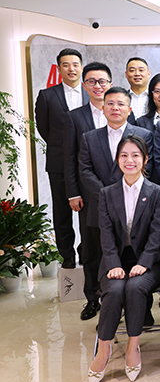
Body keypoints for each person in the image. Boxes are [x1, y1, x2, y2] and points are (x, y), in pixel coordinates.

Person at [88, 134, 160, 382]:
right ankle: (104, 349)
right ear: (117, 159)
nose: (129, 160)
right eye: (124, 155)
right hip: (115, 260)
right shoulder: (107, 193)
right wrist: (113, 264)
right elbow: (106, 233)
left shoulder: (157, 192)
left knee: (134, 287)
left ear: (145, 159)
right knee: (113, 290)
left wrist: (143, 263)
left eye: (135, 155)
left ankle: (133, 345)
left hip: (149, 261)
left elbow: (157, 234)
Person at [64, 63, 132, 320]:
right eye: (110, 104)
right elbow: (80, 165)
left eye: (120, 104)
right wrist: (105, 193)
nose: (115, 108)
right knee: (92, 251)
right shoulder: (87, 132)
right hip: (95, 200)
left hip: (130, 202)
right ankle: (93, 299)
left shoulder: (138, 131)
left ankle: (126, 300)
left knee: (125, 249)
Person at [34, 48, 86, 271]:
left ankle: (86, 251)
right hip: (58, 162)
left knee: (89, 210)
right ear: (59, 68)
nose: (71, 69)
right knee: (62, 210)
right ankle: (67, 254)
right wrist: (64, 148)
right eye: (66, 65)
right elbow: (43, 128)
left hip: (88, 161)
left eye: (75, 64)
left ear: (81, 67)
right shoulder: (47, 95)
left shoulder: (91, 93)